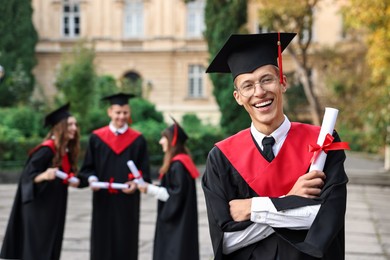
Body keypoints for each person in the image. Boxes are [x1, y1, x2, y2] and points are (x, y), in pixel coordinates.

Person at [202, 32, 349, 259]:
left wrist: (252, 208)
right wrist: (286, 201)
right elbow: (226, 241)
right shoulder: (221, 157)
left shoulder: (323, 141)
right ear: (238, 97)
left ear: (282, 83)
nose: (259, 92)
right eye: (247, 85)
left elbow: (326, 217)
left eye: (266, 79)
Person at [0, 103, 80, 260]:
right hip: (39, 208)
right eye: (70, 124)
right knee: (39, 247)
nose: (74, 128)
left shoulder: (64, 150)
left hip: (54, 206)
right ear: (60, 127)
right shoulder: (46, 150)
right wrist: (44, 175)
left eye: (75, 124)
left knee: (51, 243)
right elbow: (27, 177)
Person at [78, 92, 151, 260]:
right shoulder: (96, 138)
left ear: (129, 112)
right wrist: (92, 179)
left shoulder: (138, 140)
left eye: (125, 112)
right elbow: (87, 168)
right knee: (101, 238)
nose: (121, 117)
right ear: (109, 112)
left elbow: (144, 173)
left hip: (127, 202)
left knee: (126, 239)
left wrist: (135, 183)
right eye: (118, 112)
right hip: (103, 199)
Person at [138, 118, 200, 260]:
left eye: (164, 138)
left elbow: (175, 195)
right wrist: (154, 187)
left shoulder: (178, 164)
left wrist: (150, 189)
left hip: (177, 223)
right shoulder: (180, 162)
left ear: (172, 141)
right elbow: (174, 190)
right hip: (181, 222)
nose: (160, 141)